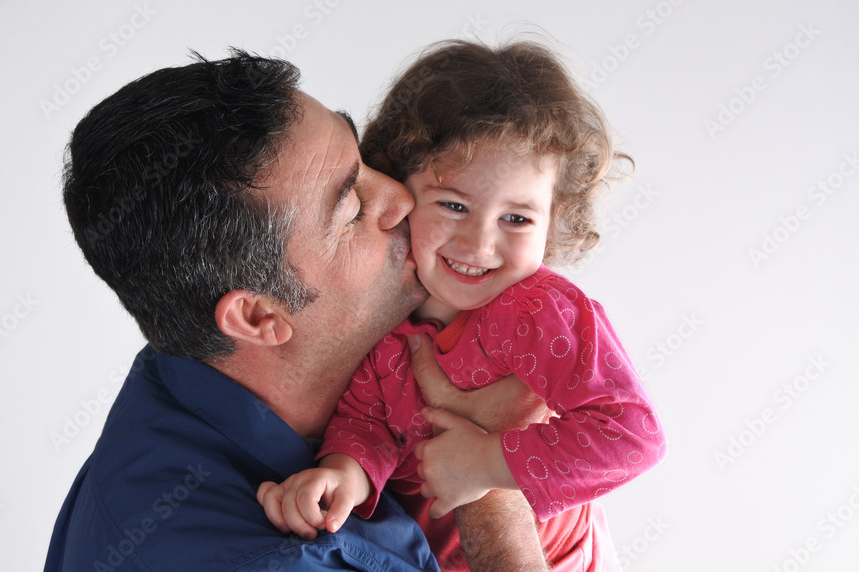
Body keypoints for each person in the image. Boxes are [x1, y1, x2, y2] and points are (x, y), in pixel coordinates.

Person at [43, 49, 553, 571]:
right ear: (259, 318)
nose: (400, 198)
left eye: (363, 163)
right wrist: (487, 466)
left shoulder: (186, 367)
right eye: (351, 207)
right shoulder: (278, 560)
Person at [256, 40, 667, 570]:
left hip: (554, 556)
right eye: (453, 205)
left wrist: (486, 462)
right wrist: (343, 472)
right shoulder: (387, 301)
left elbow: (632, 436)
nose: (478, 244)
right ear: (402, 190)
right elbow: (366, 417)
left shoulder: (540, 314)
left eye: (517, 219)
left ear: (555, 217)